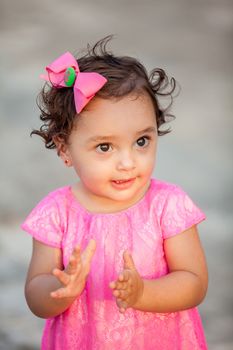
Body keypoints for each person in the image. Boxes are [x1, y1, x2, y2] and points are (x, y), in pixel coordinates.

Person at [22, 36, 208, 349]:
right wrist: (60, 289)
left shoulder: (168, 205)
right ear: (65, 149)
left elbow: (194, 282)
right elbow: (35, 295)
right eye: (105, 147)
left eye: (141, 141)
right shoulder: (56, 213)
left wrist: (143, 294)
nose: (127, 162)